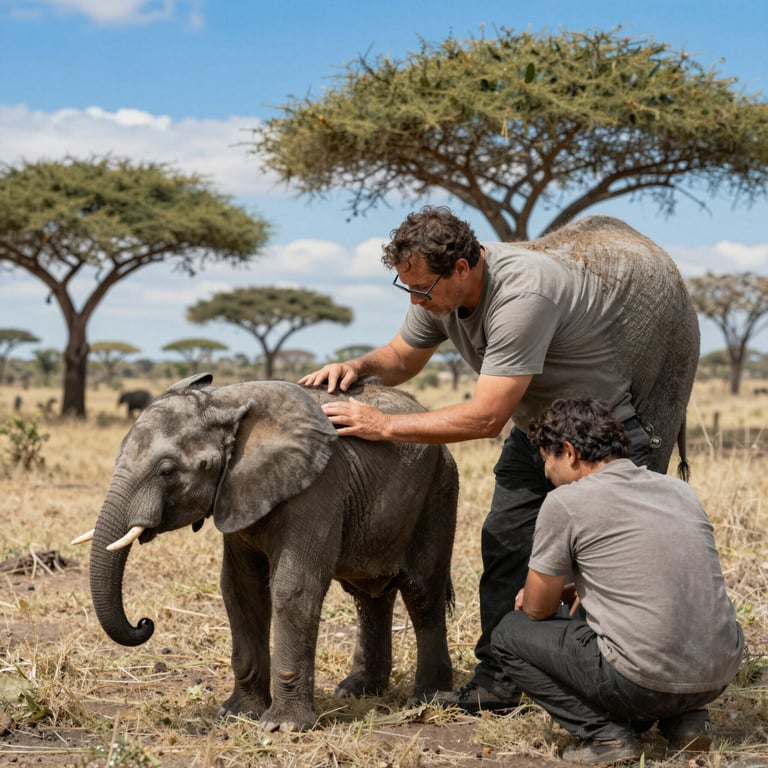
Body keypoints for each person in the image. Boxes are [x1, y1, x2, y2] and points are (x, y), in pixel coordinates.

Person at [299, 205, 699, 711]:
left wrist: (386, 426)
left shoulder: (522, 294)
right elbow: (402, 357)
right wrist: (357, 366)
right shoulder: (437, 293)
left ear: (463, 269)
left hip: (606, 432)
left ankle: (617, 675)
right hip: (539, 427)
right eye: (408, 290)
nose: (418, 301)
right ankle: (501, 675)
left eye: (423, 290)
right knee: (505, 539)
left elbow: (486, 417)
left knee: (610, 555)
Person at [488, 397, 743, 765]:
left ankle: (606, 736)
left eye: (547, 459)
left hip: (644, 682)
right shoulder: (677, 490)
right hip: (717, 673)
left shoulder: (564, 503)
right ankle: (687, 721)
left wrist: (540, 593)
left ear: (570, 453)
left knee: (510, 634)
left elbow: (537, 609)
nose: (546, 472)